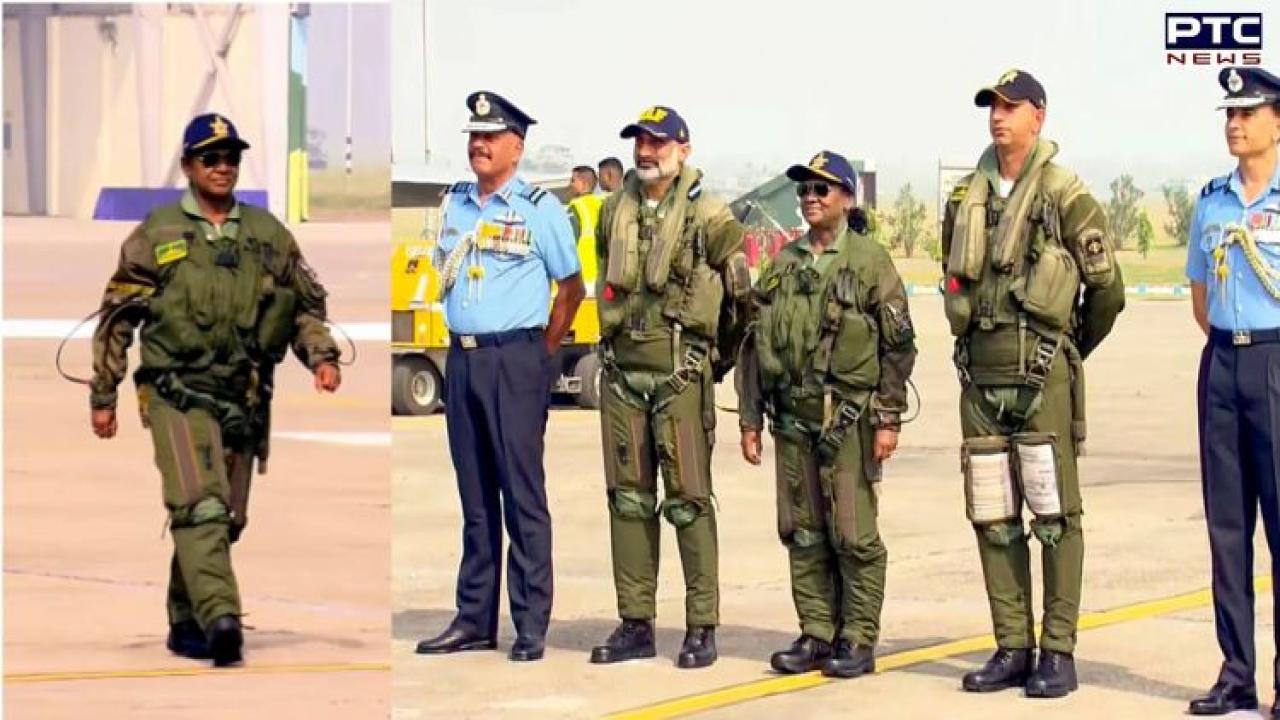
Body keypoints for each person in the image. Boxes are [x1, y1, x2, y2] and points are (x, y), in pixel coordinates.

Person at [90, 113, 342, 667]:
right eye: (210, 158)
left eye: (230, 157)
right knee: (199, 503)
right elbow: (116, 319)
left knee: (224, 516)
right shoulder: (157, 235)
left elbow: (302, 306)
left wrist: (321, 357)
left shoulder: (265, 234)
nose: (222, 167)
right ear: (188, 166)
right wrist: (103, 395)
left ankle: (185, 621)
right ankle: (221, 618)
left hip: (244, 397)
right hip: (175, 394)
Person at [940, 69, 1124, 698]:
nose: (999, 116)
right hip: (981, 378)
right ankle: (1011, 645)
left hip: (1043, 376)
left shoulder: (1065, 194)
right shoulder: (967, 194)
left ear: (1038, 117)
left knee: (1053, 515)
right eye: (992, 106)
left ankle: (1058, 651)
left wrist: (1068, 355)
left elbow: (1107, 292)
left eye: (1012, 107)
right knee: (993, 515)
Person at [414, 91, 585, 663]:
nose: (478, 145)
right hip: (462, 360)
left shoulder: (540, 209)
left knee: (522, 497)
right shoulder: (457, 203)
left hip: (515, 360)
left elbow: (571, 287)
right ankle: (473, 619)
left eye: (490, 136)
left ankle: (531, 623)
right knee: (475, 497)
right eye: (472, 136)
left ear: (517, 145)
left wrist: (542, 355)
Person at [738, 151, 917, 678]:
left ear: (846, 197)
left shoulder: (869, 262)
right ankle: (817, 631)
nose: (811, 198)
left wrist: (887, 417)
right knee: (802, 531)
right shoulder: (785, 263)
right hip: (791, 420)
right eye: (804, 191)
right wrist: (750, 419)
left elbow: (899, 346)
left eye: (822, 189)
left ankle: (857, 636)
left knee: (853, 533)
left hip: (849, 420)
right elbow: (754, 345)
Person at [589, 106, 751, 669]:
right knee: (628, 500)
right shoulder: (613, 211)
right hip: (622, 376)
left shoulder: (710, 214)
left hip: (681, 375)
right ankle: (635, 621)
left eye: (658, 141)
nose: (646, 150)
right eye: (639, 140)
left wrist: (714, 361)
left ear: (684, 148)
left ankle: (701, 625)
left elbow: (741, 300)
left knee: (688, 501)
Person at [1185, 66, 1280, 719]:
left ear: (1277, 120)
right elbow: (1200, 295)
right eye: (1229, 113)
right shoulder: (1212, 201)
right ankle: (1236, 674)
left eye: (1247, 111)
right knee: (1226, 531)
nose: (1234, 123)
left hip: (1276, 362)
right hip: (1221, 362)